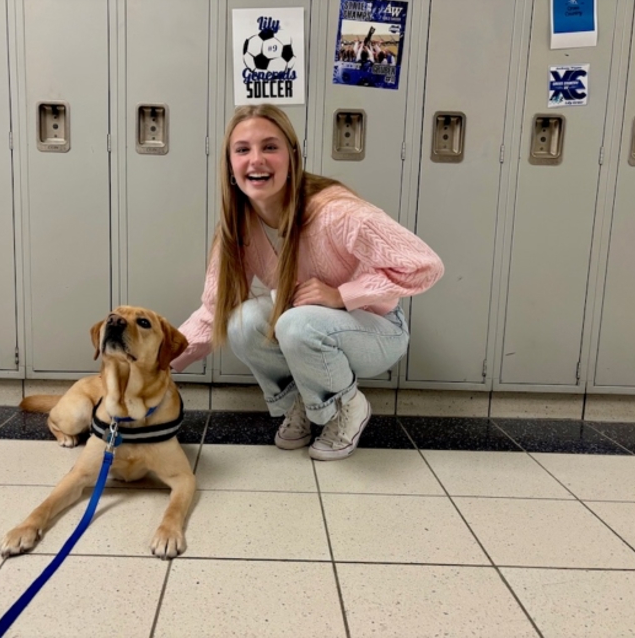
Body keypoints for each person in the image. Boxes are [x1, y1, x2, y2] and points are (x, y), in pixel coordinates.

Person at [170, 104, 444, 461]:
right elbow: (213, 311)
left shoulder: (337, 213)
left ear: (292, 157)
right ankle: (302, 399)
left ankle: (350, 406)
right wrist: (160, 361)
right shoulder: (239, 226)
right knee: (241, 322)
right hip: (307, 323)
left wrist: (343, 295)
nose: (256, 160)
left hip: (377, 330)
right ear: (230, 166)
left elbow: (425, 265)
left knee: (295, 323)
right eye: (243, 149)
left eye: (270, 147)